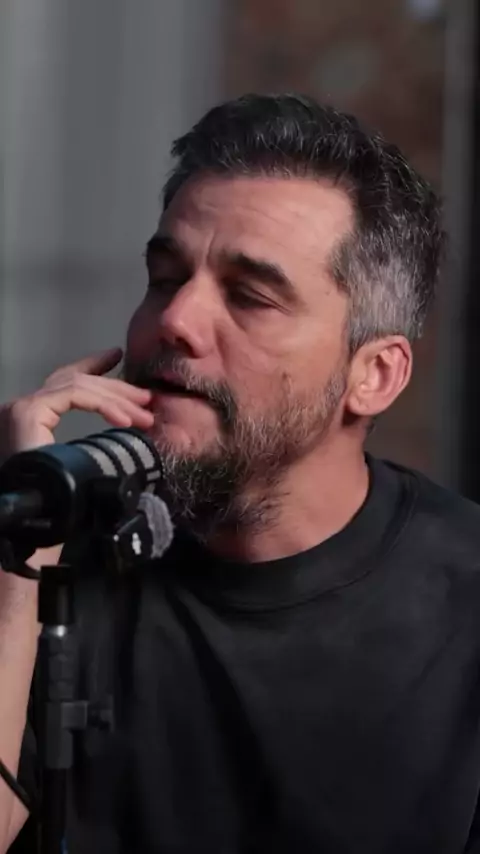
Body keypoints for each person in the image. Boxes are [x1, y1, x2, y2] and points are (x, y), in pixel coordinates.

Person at [0, 92, 478, 854]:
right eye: (165, 278)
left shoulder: (463, 603)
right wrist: (20, 545)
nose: (175, 321)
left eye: (251, 297)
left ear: (374, 375)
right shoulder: (50, 561)